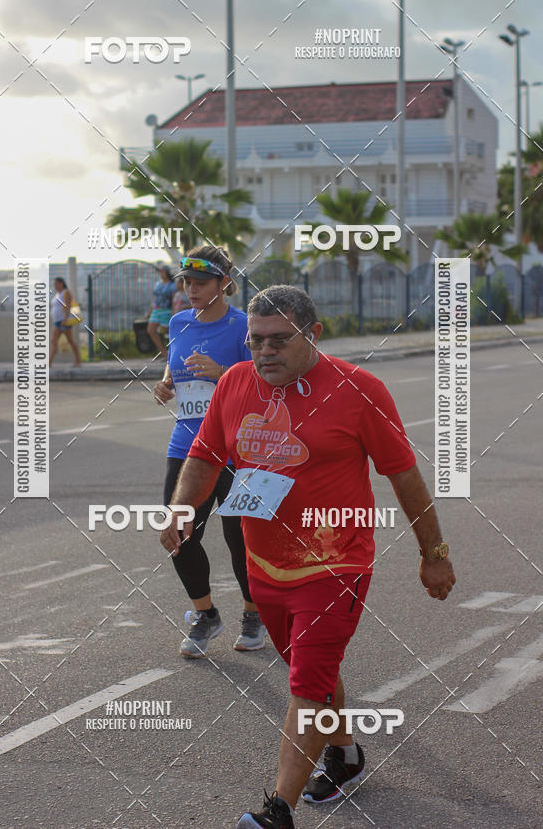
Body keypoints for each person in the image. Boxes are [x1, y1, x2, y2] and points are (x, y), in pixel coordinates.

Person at [160, 285, 456, 828]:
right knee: (309, 671)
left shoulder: (359, 390)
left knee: (306, 681)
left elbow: (404, 476)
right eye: (255, 341)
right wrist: (181, 509)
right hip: (265, 564)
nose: (264, 352)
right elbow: (204, 455)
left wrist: (432, 553)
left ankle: (278, 811)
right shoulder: (234, 383)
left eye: (279, 340)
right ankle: (344, 754)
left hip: (336, 563)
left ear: (313, 336)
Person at [153, 245, 267, 658]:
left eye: (200, 283)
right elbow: (174, 364)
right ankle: (206, 614)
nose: (190, 289)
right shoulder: (179, 322)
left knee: (241, 540)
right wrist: (166, 383)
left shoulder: (244, 326)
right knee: (177, 535)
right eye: (186, 282)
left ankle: (253, 615)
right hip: (186, 445)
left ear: (224, 283)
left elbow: (263, 385)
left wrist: (222, 375)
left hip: (236, 449)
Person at [49, 277, 81, 367]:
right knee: (54, 341)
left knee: (69, 341)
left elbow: (68, 306)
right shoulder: (58, 294)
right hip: (57, 321)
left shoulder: (66, 292)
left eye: (56, 284)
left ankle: (78, 360)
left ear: (61, 283)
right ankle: (49, 363)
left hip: (63, 321)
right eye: (54, 285)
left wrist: (65, 319)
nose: (54, 286)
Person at [147, 266, 176, 358]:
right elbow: (154, 298)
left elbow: (174, 299)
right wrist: (150, 311)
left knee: (167, 332)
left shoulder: (172, 285)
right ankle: (163, 353)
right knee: (151, 330)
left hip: (167, 310)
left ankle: (172, 352)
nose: (161, 273)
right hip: (157, 310)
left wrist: (174, 311)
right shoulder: (157, 284)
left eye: (162, 271)